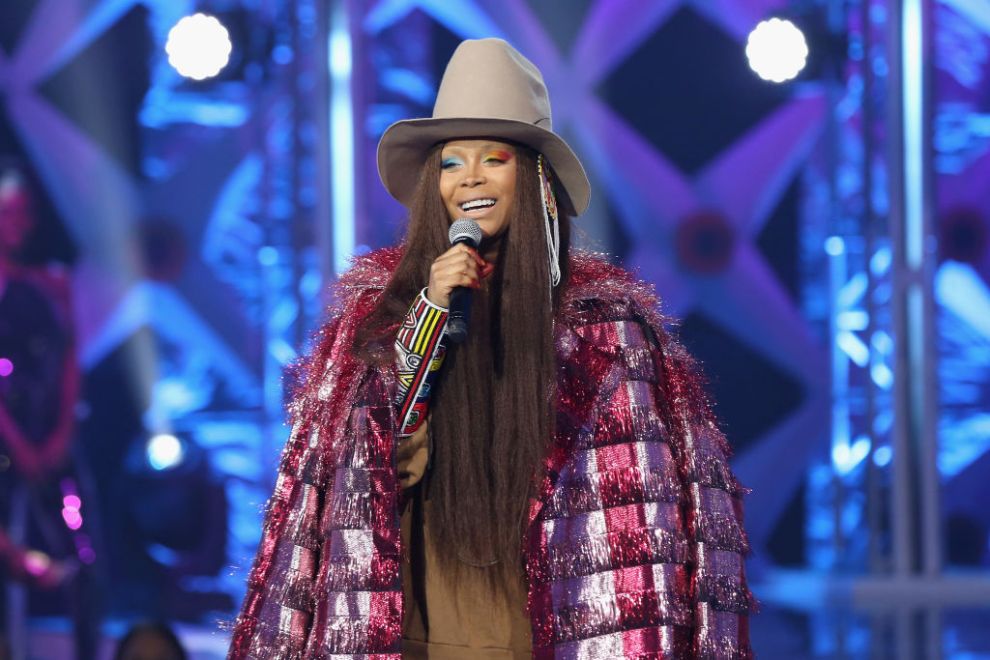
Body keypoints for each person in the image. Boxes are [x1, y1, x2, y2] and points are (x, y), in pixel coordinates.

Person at [229, 38, 753, 659]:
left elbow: (653, 515)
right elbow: (373, 472)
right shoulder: (377, 320)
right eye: (452, 163)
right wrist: (428, 315)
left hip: (549, 634)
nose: (470, 178)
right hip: (415, 633)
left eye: (493, 159)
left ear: (533, 178)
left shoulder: (606, 331)